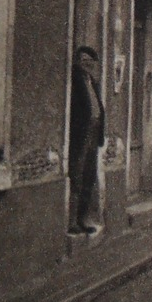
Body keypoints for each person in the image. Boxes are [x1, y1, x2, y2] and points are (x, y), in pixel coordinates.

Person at [68, 46, 106, 236]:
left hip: (93, 134)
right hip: (80, 136)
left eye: (90, 61)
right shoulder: (74, 80)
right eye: (83, 60)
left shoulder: (92, 81)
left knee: (88, 178)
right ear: (77, 62)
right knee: (76, 176)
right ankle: (72, 221)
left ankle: (83, 219)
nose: (87, 64)